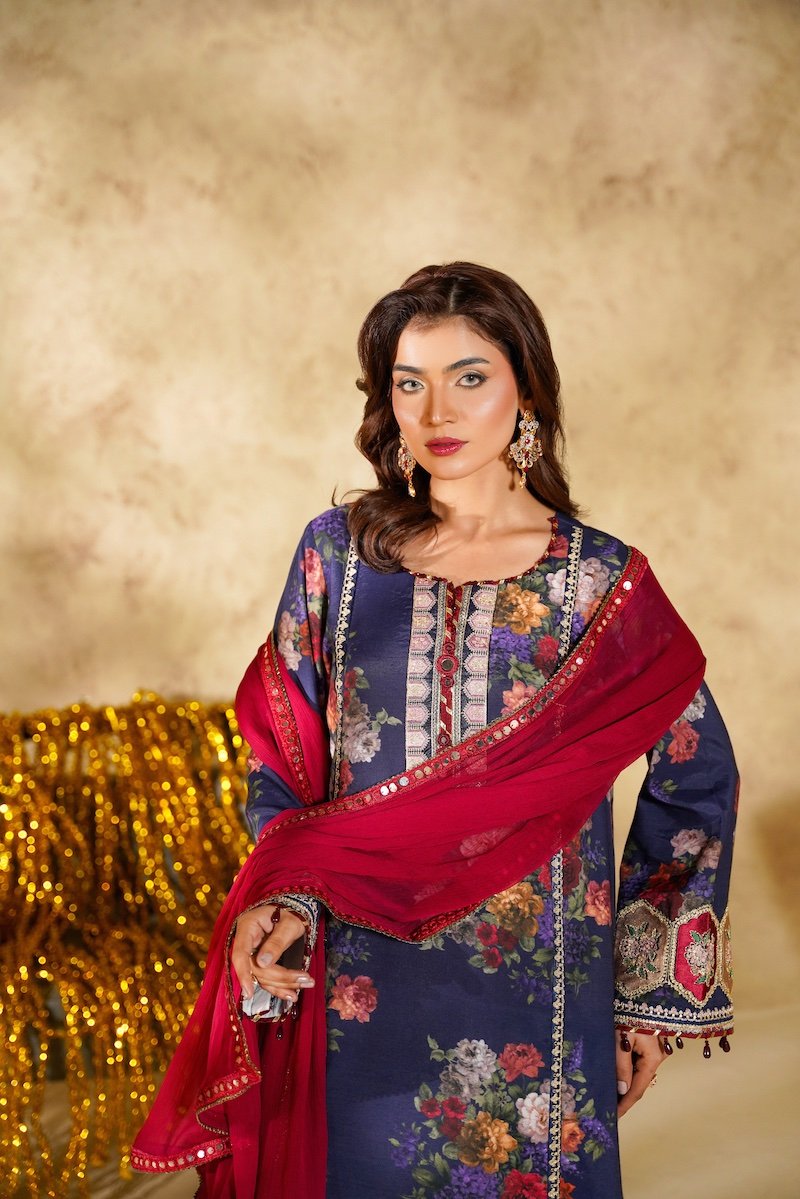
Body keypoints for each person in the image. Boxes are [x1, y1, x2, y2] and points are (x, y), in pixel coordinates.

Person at [131, 263, 738, 1199]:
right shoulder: (339, 555)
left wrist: (645, 995)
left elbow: (693, 777)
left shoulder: (599, 584)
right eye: (409, 383)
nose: (436, 410)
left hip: (539, 994)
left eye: (470, 377)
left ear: (526, 392)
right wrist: (280, 894)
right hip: (349, 973)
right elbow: (283, 754)